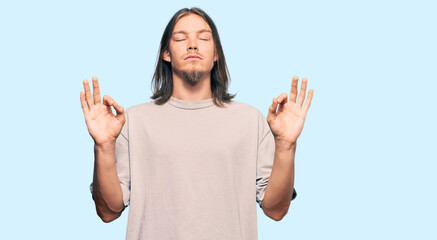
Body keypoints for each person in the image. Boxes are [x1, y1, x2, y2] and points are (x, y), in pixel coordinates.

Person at [80, 7, 313, 240]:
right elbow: (108, 212)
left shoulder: (250, 121)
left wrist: (286, 145)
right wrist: (103, 146)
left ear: (215, 54)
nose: (193, 45)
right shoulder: (132, 122)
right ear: (166, 54)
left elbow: (276, 210)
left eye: (203, 37)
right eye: (180, 38)